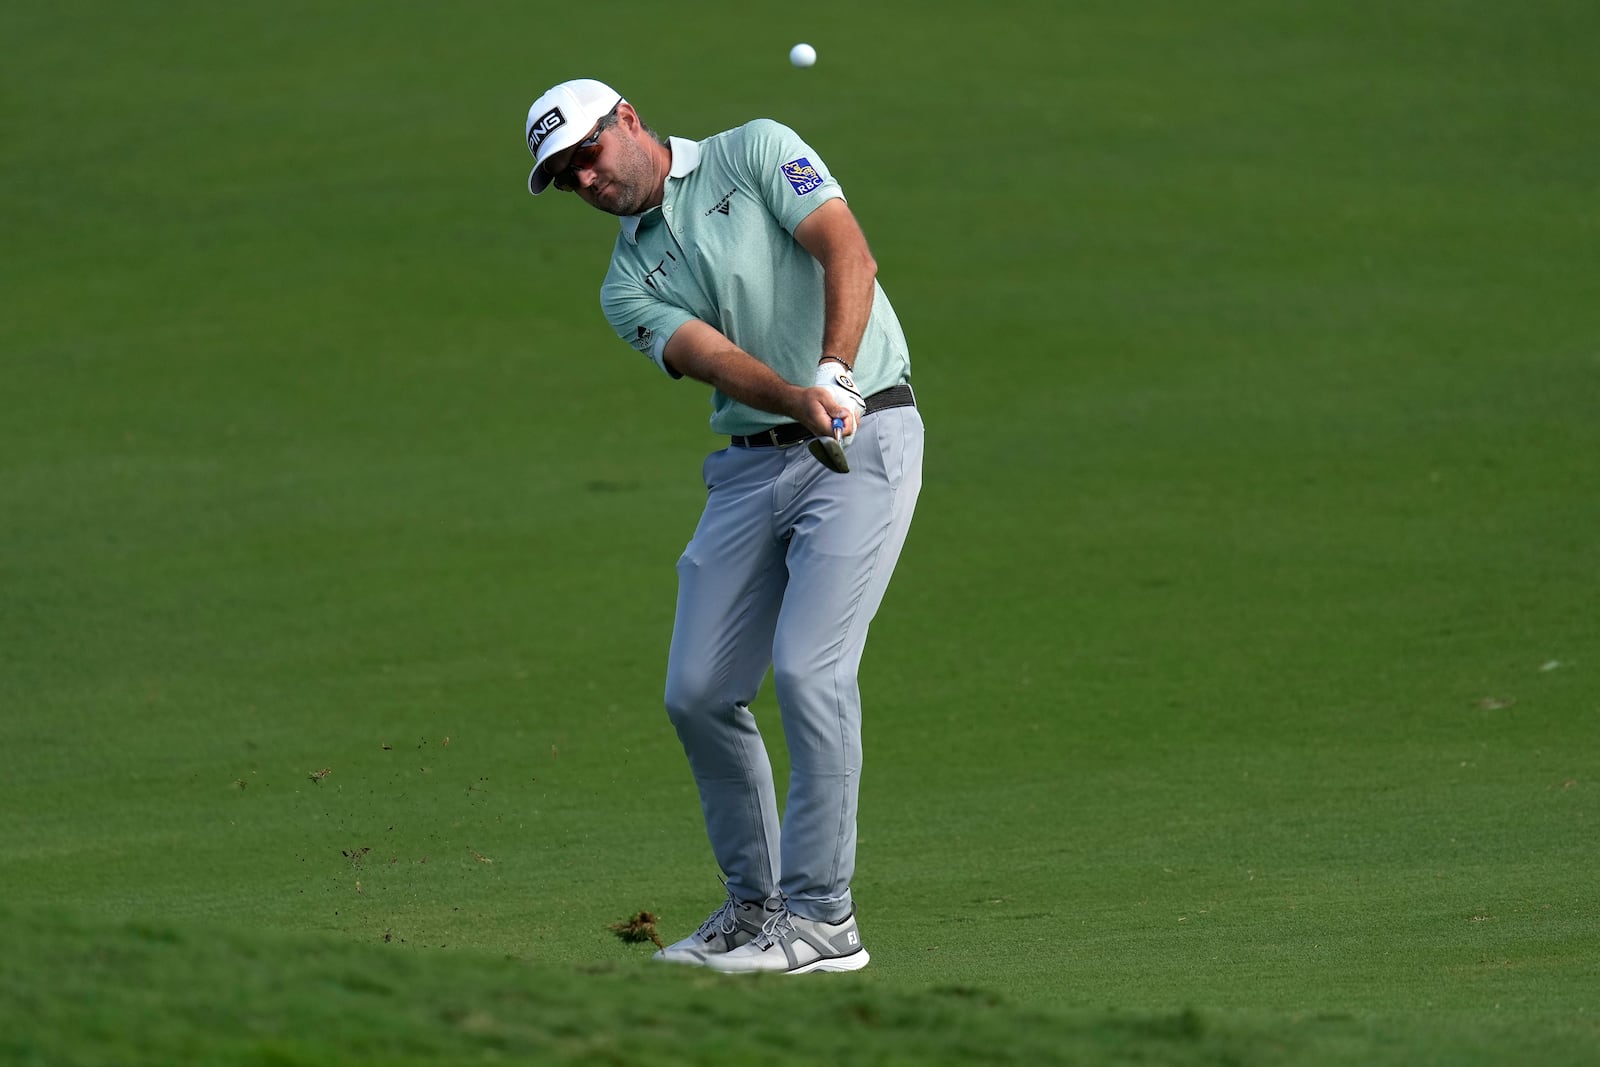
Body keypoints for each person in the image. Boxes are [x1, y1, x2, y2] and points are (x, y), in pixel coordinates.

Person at [523, 78, 923, 974]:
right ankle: (756, 910)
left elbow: (845, 250)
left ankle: (824, 923)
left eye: (587, 154)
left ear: (629, 120)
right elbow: (713, 358)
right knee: (697, 689)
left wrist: (835, 372)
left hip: (865, 434)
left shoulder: (753, 149)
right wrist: (795, 397)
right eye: (564, 177)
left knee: (810, 668)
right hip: (751, 465)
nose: (585, 181)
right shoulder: (626, 282)